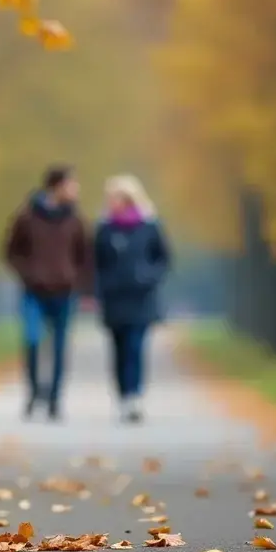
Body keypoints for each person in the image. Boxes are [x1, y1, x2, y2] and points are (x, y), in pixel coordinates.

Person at [2, 164, 91, 421]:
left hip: (64, 292)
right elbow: (11, 252)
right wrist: (27, 273)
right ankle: (33, 391)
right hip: (34, 291)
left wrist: (79, 283)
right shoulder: (27, 217)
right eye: (72, 184)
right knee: (32, 339)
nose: (76, 190)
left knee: (60, 346)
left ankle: (54, 398)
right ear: (57, 186)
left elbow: (84, 256)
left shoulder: (76, 220)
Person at [93, 175, 171, 424]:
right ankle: (123, 394)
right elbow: (96, 262)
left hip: (141, 297)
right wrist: (100, 286)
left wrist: (148, 276)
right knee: (118, 349)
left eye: (117, 197)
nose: (112, 202)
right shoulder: (104, 229)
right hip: (114, 298)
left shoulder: (149, 226)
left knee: (136, 347)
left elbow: (163, 258)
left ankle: (135, 396)